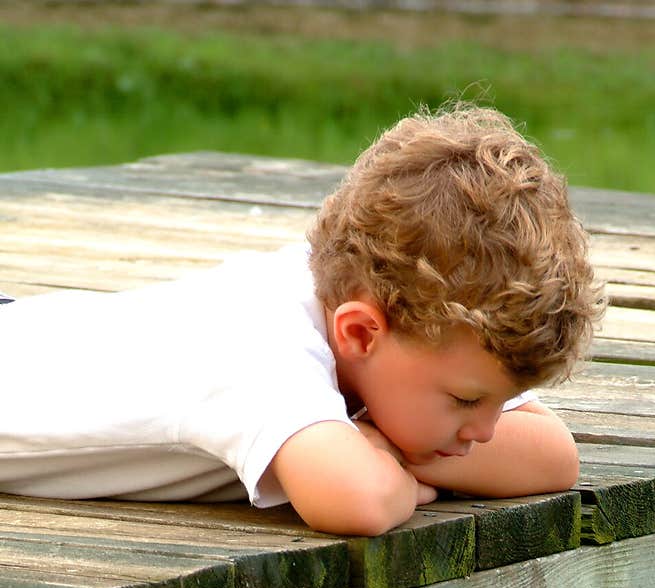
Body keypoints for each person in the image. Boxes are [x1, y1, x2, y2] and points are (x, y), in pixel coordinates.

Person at [1, 105, 603, 536]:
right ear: (361, 332)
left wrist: (384, 444)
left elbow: (553, 458)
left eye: (502, 402)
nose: (487, 431)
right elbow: (358, 501)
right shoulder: (260, 342)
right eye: (467, 401)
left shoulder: (406, 330)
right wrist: (386, 465)